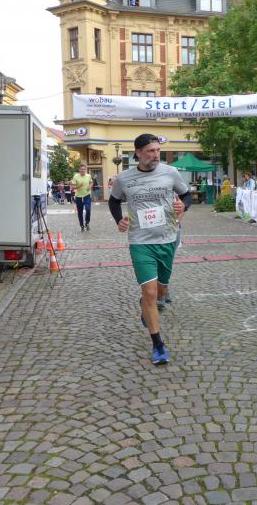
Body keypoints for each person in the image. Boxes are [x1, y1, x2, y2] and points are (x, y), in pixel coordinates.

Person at [108, 134, 193, 365]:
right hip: (140, 241)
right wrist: (119, 220)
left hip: (168, 238)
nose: (155, 155)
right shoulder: (124, 178)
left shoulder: (170, 172)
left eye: (157, 150)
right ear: (137, 153)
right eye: (150, 151)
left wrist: (182, 205)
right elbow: (114, 201)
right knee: (150, 293)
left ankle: (147, 305)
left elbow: (186, 195)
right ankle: (158, 345)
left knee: (161, 292)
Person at [72, 164, 93, 231]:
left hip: (87, 195)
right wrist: (79, 186)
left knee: (88, 209)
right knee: (80, 212)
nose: (82, 170)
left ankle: (87, 223)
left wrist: (90, 187)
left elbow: (91, 182)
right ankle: (81, 225)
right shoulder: (76, 176)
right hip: (78, 196)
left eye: (83, 169)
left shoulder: (88, 176)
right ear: (79, 170)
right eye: (81, 169)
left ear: (85, 170)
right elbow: (72, 187)